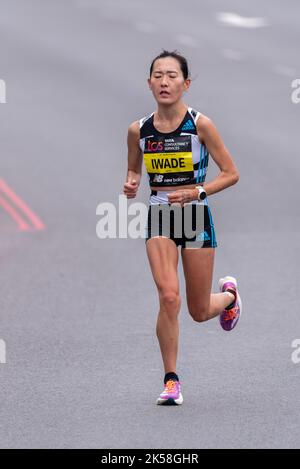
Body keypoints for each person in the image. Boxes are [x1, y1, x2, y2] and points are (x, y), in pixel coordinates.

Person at [123, 49, 242, 406]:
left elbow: (231, 173)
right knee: (168, 297)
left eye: (172, 75)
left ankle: (230, 297)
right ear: (149, 83)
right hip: (160, 215)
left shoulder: (199, 124)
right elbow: (134, 171)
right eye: (157, 75)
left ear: (185, 84)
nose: (164, 81)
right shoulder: (138, 130)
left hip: (194, 216)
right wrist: (130, 184)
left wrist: (197, 190)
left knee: (198, 311)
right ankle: (171, 380)